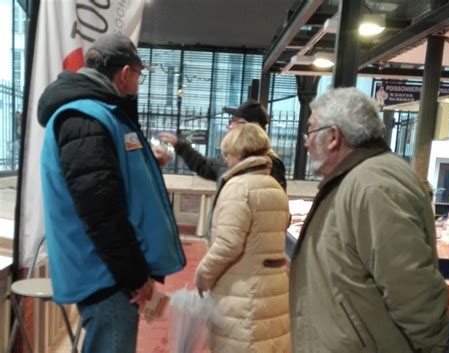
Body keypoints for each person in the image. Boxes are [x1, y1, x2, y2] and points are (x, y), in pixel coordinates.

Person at [38, 32, 186, 353]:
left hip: (109, 271)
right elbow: (101, 212)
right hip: (106, 275)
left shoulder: (98, 115)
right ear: (124, 74)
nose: (138, 84)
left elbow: (107, 185)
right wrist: (134, 277)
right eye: (138, 75)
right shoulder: (84, 118)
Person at [290, 87, 449, 353]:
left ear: (333, 137)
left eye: (310, 130)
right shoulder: (358, 178)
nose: (306, 140)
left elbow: (412, 292)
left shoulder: (373, 185)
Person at [194, 123, 291, 353]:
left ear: (239, 153)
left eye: (227, 154)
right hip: (272, 293)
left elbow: (228, 245)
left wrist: (202, 276)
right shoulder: (275, 186)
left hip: (242, 296)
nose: (226, 160)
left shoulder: (239, 187)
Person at [158, 99, 287, 190]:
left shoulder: (270, 166)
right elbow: (203, 165)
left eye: (233, 121)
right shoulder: (230, 158)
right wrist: (179, 145)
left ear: (249, 128)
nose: (228, 126)